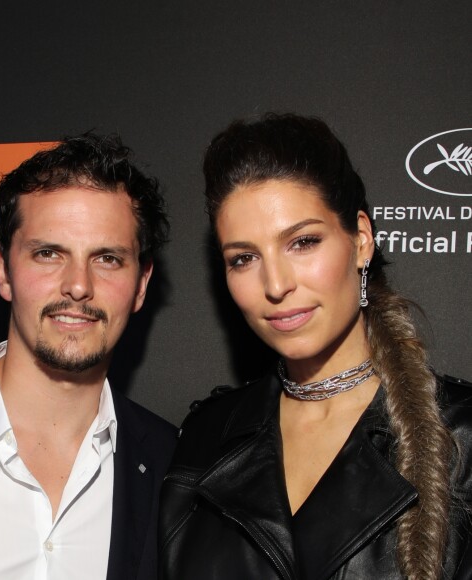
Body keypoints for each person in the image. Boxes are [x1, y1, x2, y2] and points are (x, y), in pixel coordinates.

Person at [158, 113, 472, 579]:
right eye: (244, 258)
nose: (276, 284)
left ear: (361, 241)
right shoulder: (206, 437)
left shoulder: (462, 438)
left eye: (302, 242)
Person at [0, 131, 177, 580]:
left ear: (141, 285)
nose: (78, 285)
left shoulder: (174, 467)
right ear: (3, 270)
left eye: (106, 258)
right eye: (48, 253)